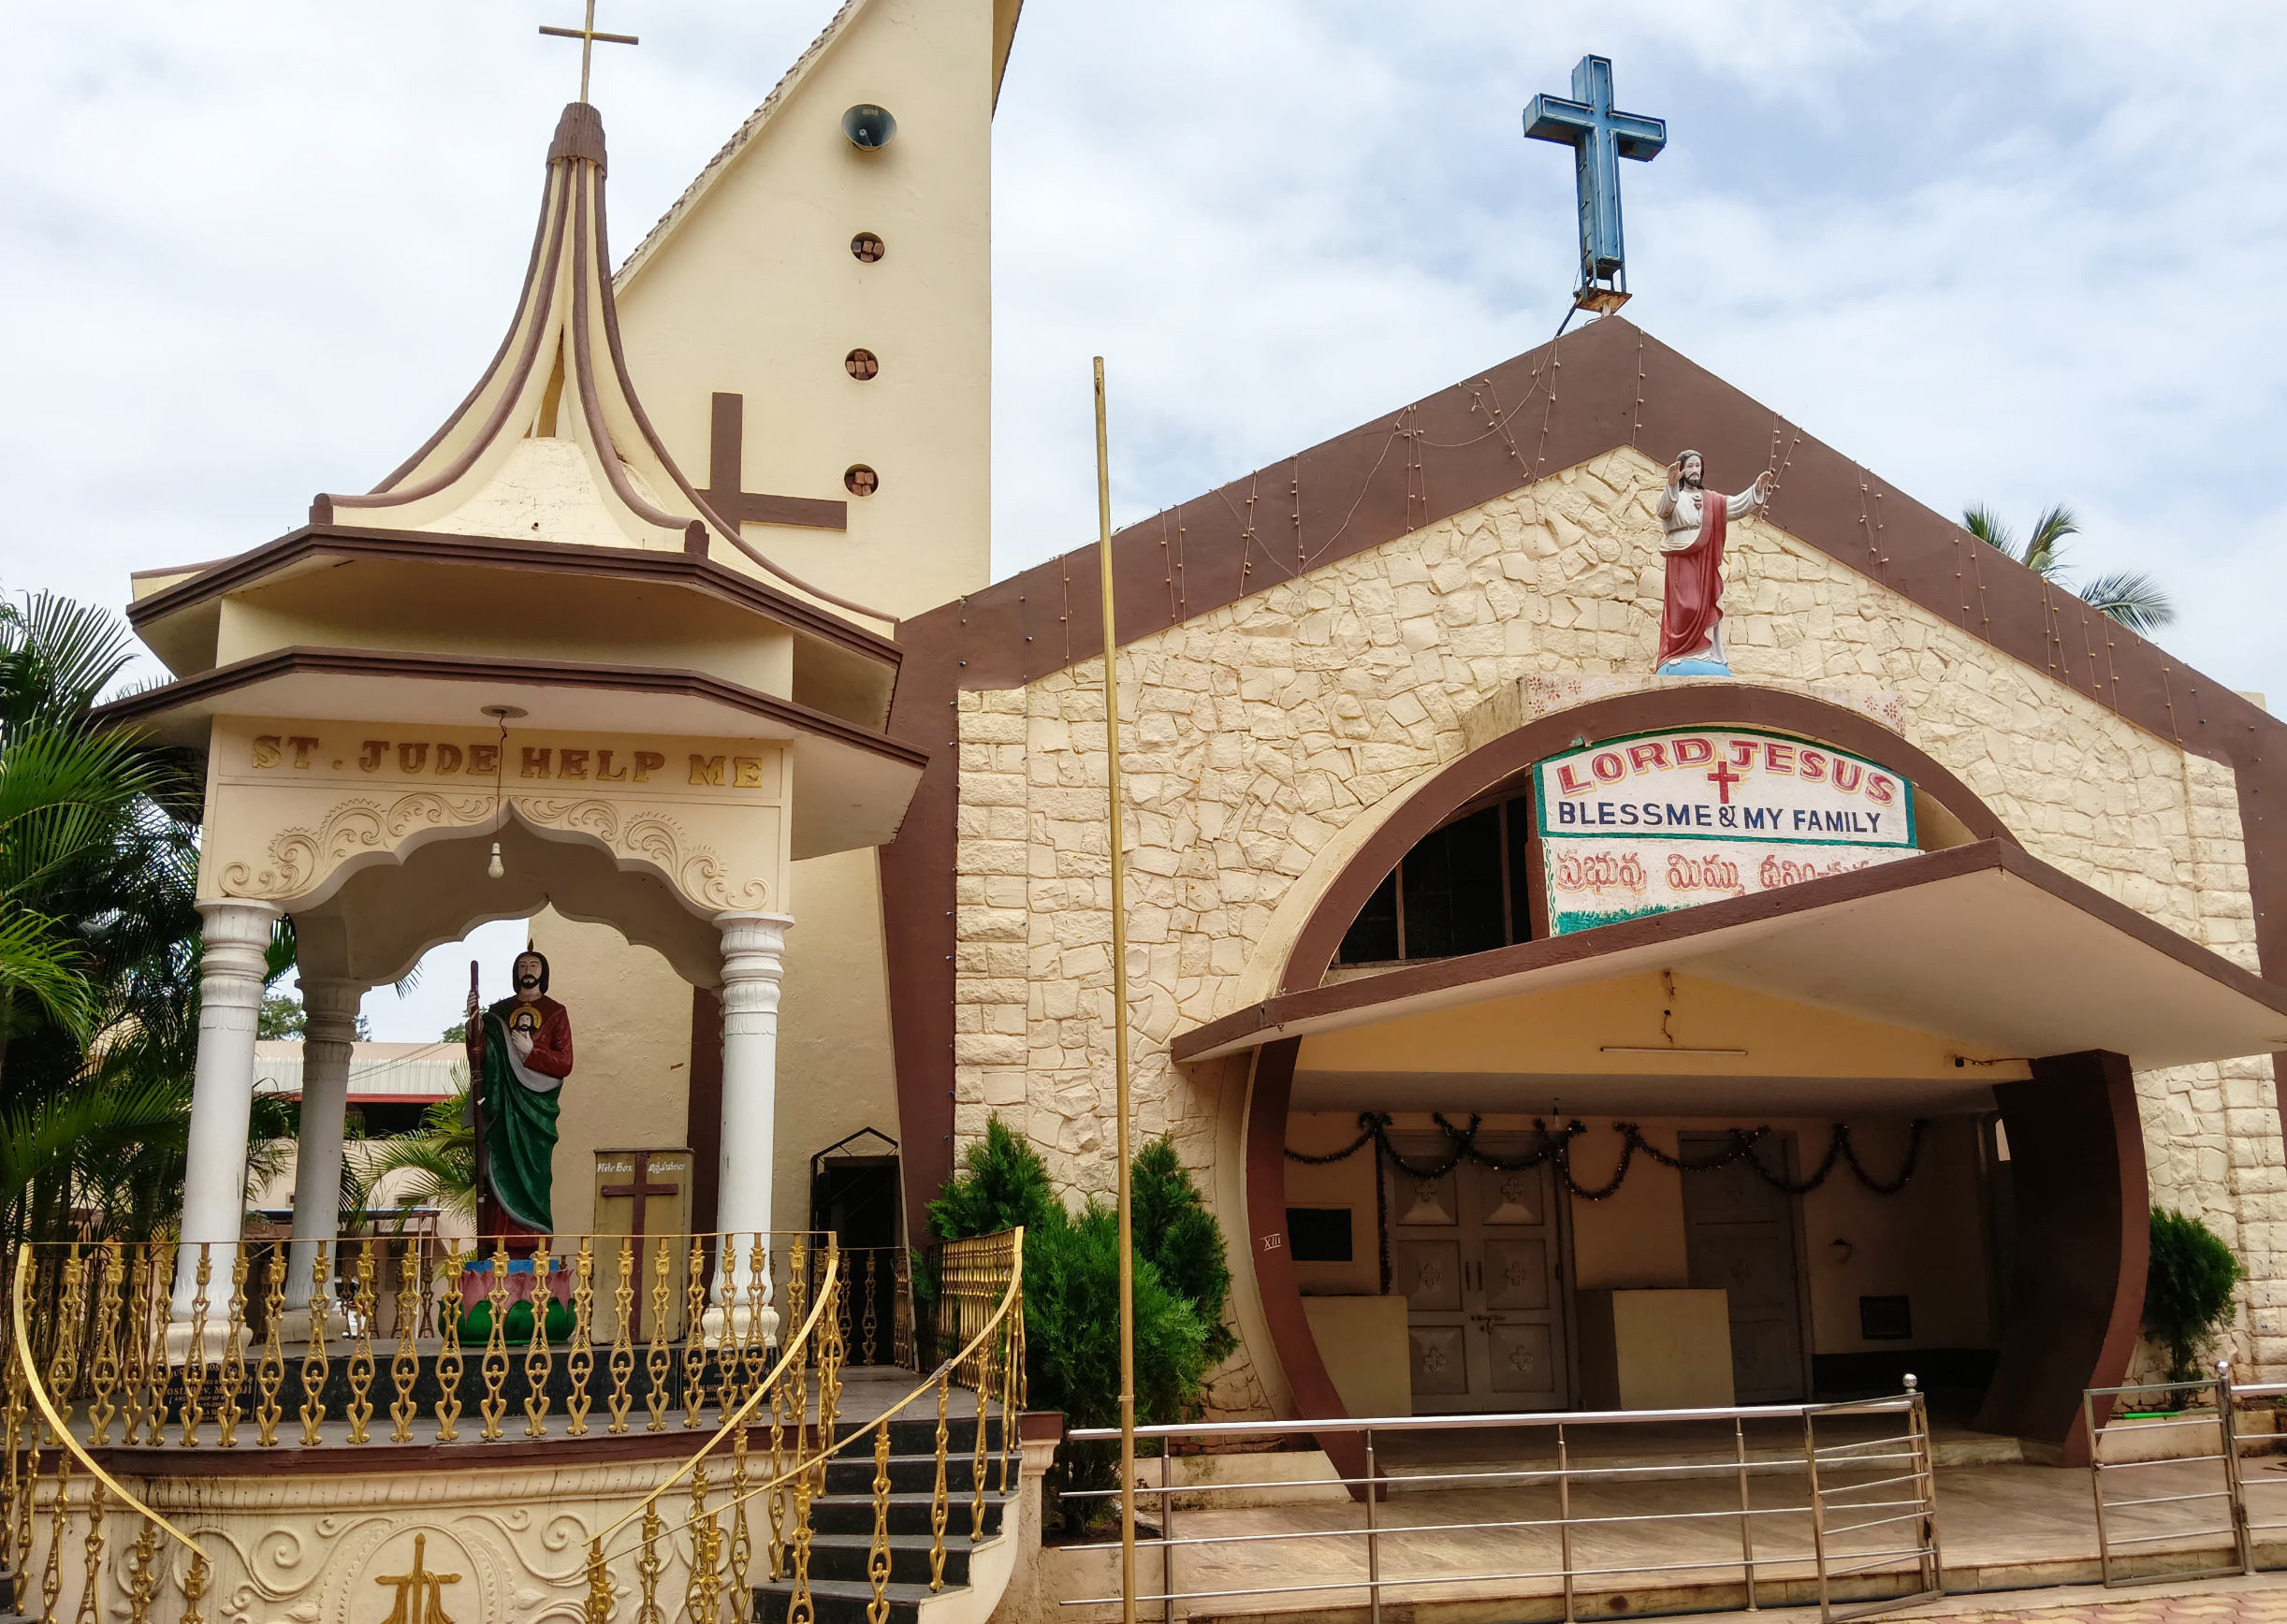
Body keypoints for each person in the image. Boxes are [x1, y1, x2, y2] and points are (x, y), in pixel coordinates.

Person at [463, 949, 574, 1241]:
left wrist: (531, 1051)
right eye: (523, 965)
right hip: (503, 1106)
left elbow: (565, 1063)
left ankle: (533, 1239)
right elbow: (481, 1054)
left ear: (543, 973)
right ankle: (499, 1240)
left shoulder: (556, 1012)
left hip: (536, 1110)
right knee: (500, 1166)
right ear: (516, 972)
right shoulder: (498, 1013)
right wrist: (474, 1023)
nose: (528, 969)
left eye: (534, 965)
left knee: (535, 1174)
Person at [1655, 450, 1774, 675]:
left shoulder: (1711, 500)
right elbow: (1663, 509)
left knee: (1704, 602)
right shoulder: (1674, 495)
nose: (1694, 471)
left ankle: (1703, 652)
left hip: (1705, 559)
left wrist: (1756, 490)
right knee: (1685, 606)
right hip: (1681, 556)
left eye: (1698, 466)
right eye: (1689, 466)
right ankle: (1678, 652)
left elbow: (1736, 506)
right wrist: (1670, 484)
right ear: (1681, 470)